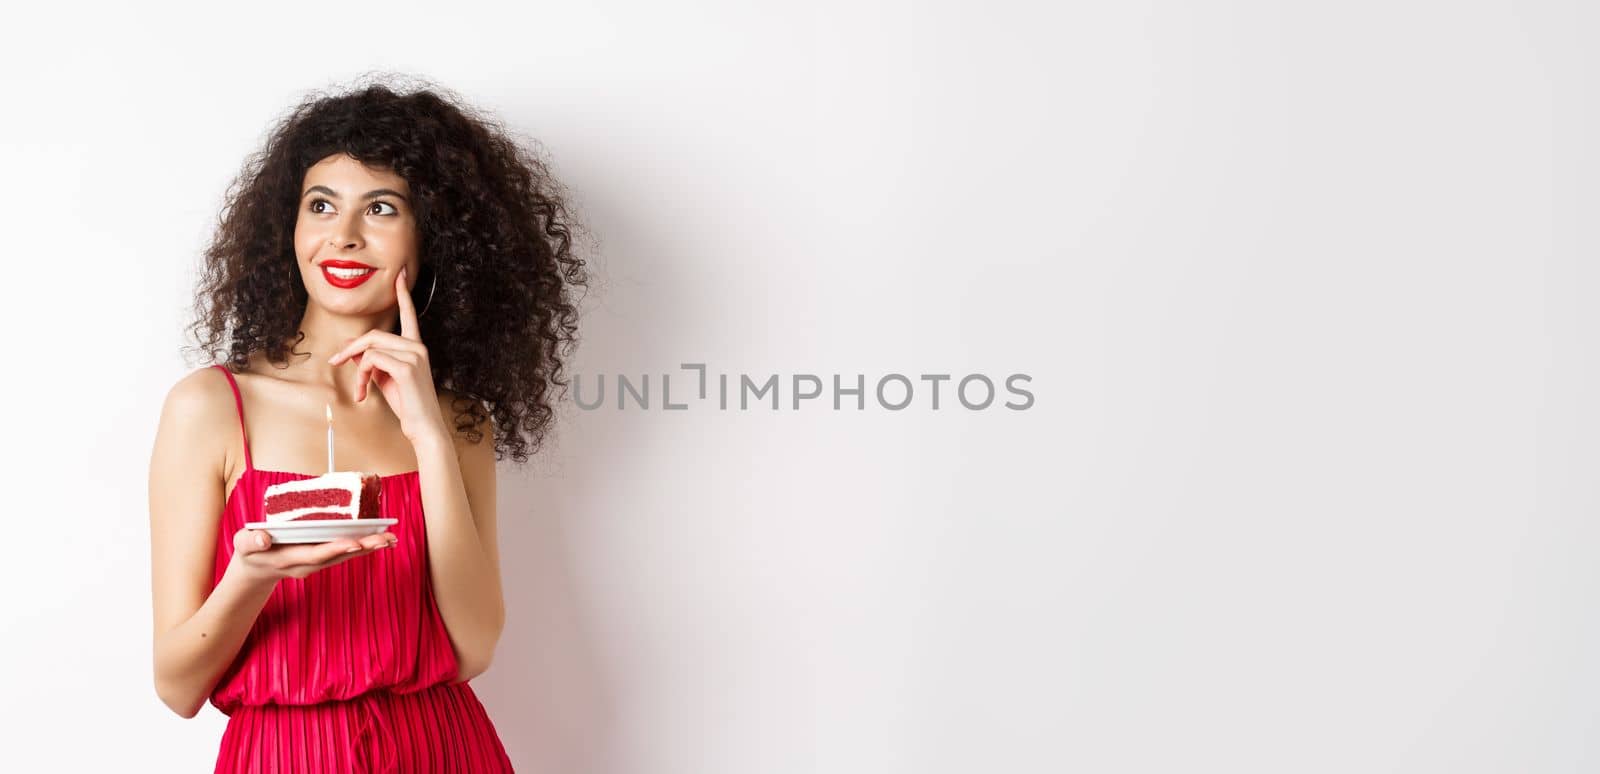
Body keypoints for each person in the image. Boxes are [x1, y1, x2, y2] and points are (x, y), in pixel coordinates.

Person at [147, 76, 588, 772]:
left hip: (444, 748)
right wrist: (250, 576)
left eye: (381, 208)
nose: (343, 237)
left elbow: (473, 649)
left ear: (433, 233)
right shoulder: (211, 408)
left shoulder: (459, 420)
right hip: (286, 754)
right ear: (288, 226)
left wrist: (430, 439)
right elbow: (176, 686)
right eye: (321, 205)